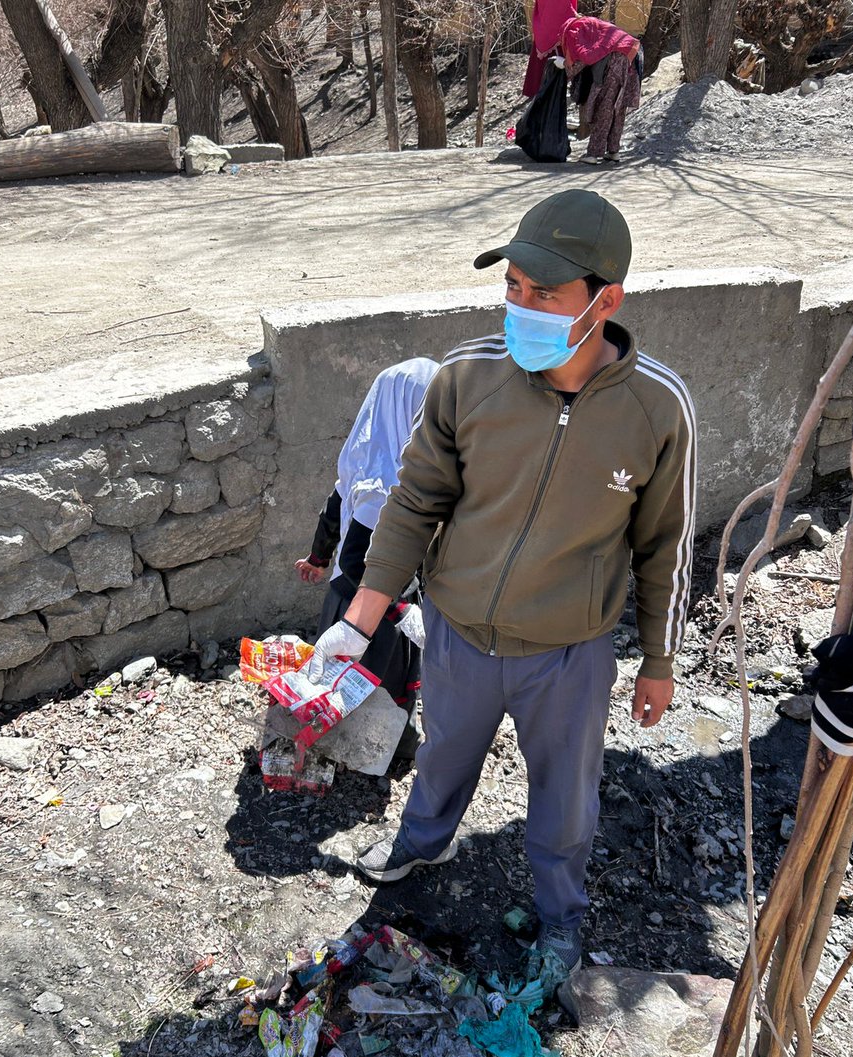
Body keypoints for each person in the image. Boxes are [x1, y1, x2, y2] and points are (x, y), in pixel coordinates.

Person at [308, 189, 695, 1003]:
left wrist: (659, 659)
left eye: (543, 293)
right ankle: (423, 843)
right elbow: (415, 503)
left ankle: (561, 915)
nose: (521, 307)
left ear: (606, 299)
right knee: (444, 750)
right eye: (512, 286)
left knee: (565, 798)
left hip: (568, 652)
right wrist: (360, 617)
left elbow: (664, 544)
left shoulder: (656, 408)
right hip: (457, 632)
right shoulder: (467, 379)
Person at [295, 357, 439, 759]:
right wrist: (398, 608)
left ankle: (334, 738)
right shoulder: (393, 481)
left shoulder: (362, 459)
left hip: (343, 598)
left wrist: (318, 558)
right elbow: (364, 562)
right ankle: (384, 751)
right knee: (378, 683)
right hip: (374, 610)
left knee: (339, 678)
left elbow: (334, 508)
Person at [559, 15, 641, 164]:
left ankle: (593, 154)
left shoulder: (573, 31)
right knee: (618, 108)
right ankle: (613, 151)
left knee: (604, 107)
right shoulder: (591, 25)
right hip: (632, 57)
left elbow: (586, 58)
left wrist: (564, 66)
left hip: (615, 60)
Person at [522, 0, 578, 98]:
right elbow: (560, 7)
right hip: (555, 28)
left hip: (544, 27)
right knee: (556, 62)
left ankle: (539, 91)